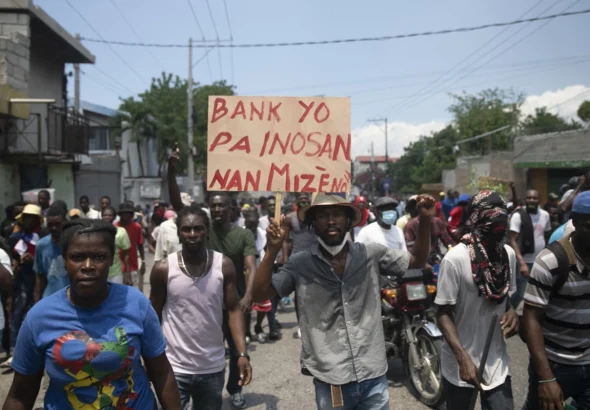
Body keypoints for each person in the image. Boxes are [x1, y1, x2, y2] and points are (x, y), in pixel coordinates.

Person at [251, 193, 434, 410]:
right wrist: (272, 251)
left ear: (348, 221)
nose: (331, 220)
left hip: (373, 375)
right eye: (323, 215)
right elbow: (260, 295)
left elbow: (416, 262)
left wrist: (425, 219)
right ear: (312, 223)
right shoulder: (300, 263)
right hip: (331, 380)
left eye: (337, 214)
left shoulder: (370, 253)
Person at [3, 218, 181, 409]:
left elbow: (162, 373)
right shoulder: (39, 318)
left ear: (112, 259)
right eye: (77, 257)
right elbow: (20, 395)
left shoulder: (136, 304)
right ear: (65, 261)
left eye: (98, 257)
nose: (88, 266)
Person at [168, 146, 257, 409]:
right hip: (205, 303)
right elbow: (178, 205)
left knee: (237, 348)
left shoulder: (243, 235)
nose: (217, 209)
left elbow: (251, 267)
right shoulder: (202, 230)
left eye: (222, 206)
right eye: (213, 205)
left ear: (232, 209)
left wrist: (248, 296)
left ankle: (235, 388)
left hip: (234, 302)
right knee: (209, 352)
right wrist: (171, 172)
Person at [150, 205, 252, 410]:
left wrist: (242, 353)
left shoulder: (224, 265)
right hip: (174, 367)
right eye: (186, 229)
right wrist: (151, 359)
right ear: (179, 233)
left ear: (207, 232)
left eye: (198, 228)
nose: (193, 234)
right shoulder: (163, 269)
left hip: (212, 367)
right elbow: (153, 316)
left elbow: (233, 310)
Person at [436, 190, 518, 410]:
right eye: (490, 212)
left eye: (502, 212)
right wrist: (463, 359)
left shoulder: (507, 255)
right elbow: (442, 313)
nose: (498, 217)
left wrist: (511, 312)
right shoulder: (455, 259)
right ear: (474, 218)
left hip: (497, 362)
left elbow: (505, 298)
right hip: (460, 364)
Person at [521, 190, 590, 410]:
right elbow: (531, 319)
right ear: (575, 223)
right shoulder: (551, 261)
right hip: (556, 365)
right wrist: (546, 378)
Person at [7, 204, 43, 360]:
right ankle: (14, 349)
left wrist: (33, 259)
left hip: (38, 278)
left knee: (37, 312)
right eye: (26, 217)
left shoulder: (41, 238)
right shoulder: (15, 237)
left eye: (32, 218)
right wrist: (17, 261)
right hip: (22, 279)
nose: (28, 220)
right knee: (17, 312)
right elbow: (9, 257)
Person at [509, 189, 551, 310]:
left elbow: (546, 236)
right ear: (525, 199)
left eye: (534, 198)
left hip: (540, 260)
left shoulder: (545, 215)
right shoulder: (518, 215)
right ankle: (508, 313)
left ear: (539, 200)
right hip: (524, 261)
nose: (531, 200)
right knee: (520, 292)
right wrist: (522, 263)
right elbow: (513, 240)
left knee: (538, 292)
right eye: (529, 198)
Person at [244, 208, 280, 342]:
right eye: (249, 225)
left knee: (263, 304)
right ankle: (247, 332)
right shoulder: (241, 233)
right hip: (244, 273)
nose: (252, 228)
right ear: (245, 222)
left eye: (254, 225)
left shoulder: (263, 234)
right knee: (246, 305)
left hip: (259, 272)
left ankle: (258, 326)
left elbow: (267, 254)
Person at [33, 205, 68, 302]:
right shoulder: (41, 245)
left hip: (72, 298)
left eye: (58, 224)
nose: (53, 228)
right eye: (50, 224)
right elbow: (40, 276)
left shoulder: (73, 243)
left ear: (65, 222)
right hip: (50, 298)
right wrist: (37, 302)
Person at [116, 203, 145, 290]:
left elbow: (140, 245)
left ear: (132, 214)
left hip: (132, 264)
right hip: (117, 266)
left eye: (128, 213)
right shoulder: (115, 227)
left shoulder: (136, 227)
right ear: (120, 214)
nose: (126, 215)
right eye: (124, 213)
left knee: (133, 289)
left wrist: (143, 262)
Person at [102, 206, 132, 285]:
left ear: (114, 217)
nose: (107, 217)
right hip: (100, 272)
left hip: (116, 272)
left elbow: (126, 254)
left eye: (110, 215)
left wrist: (128, 274)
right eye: (105, 215)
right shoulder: (97, 232)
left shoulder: (121, 232)